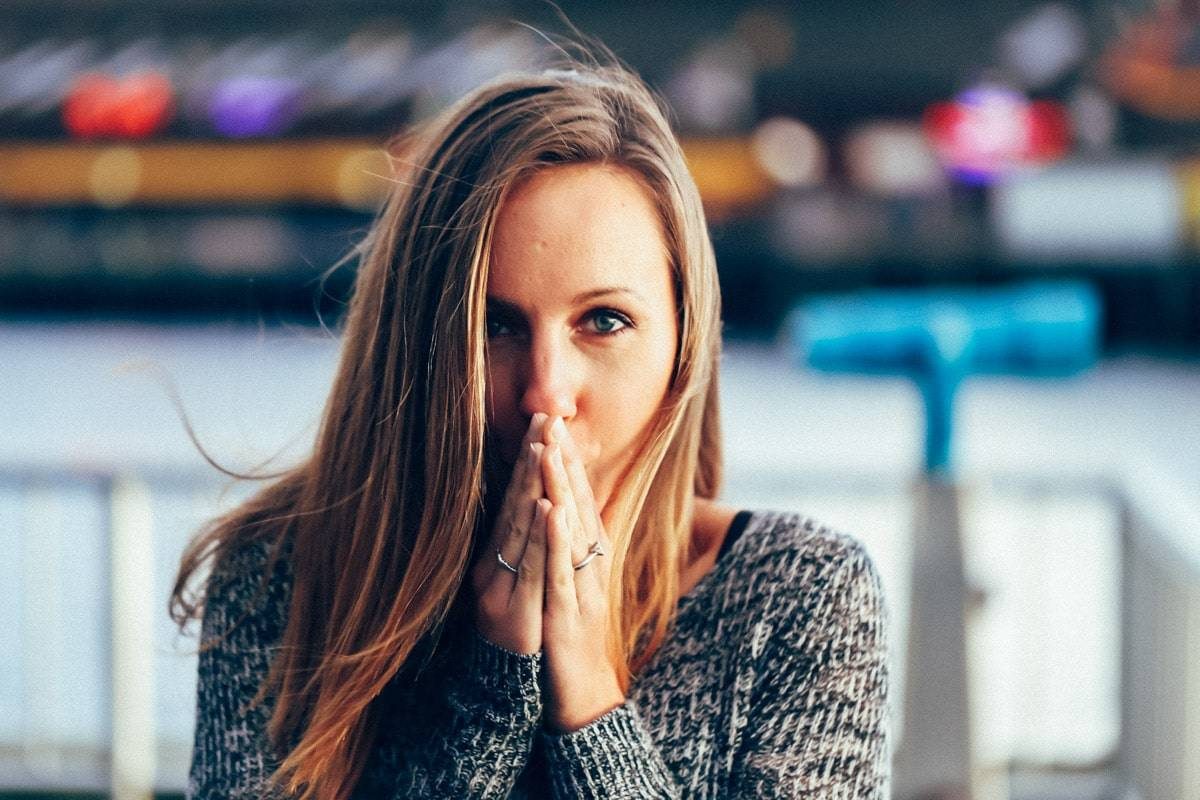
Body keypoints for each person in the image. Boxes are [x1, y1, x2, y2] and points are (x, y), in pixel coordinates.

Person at [171, 55, 890, 800]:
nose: (547, 392)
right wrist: (493, 686)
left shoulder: (798, 597)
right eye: (495, 326)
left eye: (603, 321)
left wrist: (588, 697)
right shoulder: (281, 576)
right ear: (417, 339)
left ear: (685, 335)